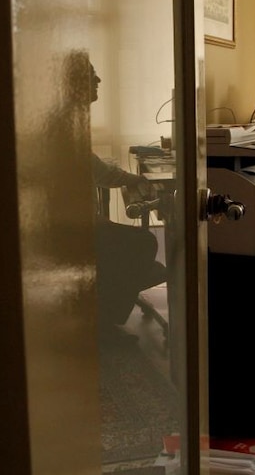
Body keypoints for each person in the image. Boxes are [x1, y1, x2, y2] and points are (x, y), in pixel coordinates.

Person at [62, 50, 166, 331]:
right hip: (73, 227)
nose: (98, 79)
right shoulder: (65, 123)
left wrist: (128, 179)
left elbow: (94, 168)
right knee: (145, 243)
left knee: (140, 244)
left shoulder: (70, 117)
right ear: (71, 82)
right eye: (90, 74)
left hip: (82, 221)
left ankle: (107, 311)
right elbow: (98, 170)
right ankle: (106, 321)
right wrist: (131, 179)